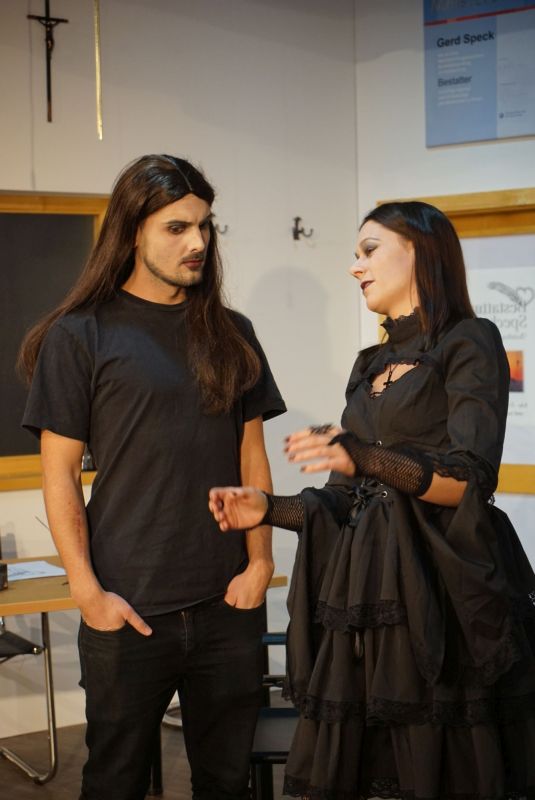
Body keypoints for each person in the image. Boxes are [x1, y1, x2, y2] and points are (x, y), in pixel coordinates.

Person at [209, 201, 535, 800]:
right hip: (370, 588)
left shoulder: (469, 340)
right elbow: (345, 500)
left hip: (440, 583)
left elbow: (468, 481)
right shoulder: (371, 363)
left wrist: (364, 455)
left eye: (368, 250)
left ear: (420, 252)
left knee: (442, 756)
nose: (354, 266)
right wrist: (268, 508)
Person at [19, 154, 286, 800]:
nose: (197, 242)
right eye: (176, 227)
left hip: (227, 604)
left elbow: (252, 458)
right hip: (128, 606)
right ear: (133, 231)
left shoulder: (232, 333)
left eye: (205, 226)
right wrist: (88, 593)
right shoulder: (80, 335)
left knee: (227, 781)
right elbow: (59, 475)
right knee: (114, 781)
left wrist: (260, 564)